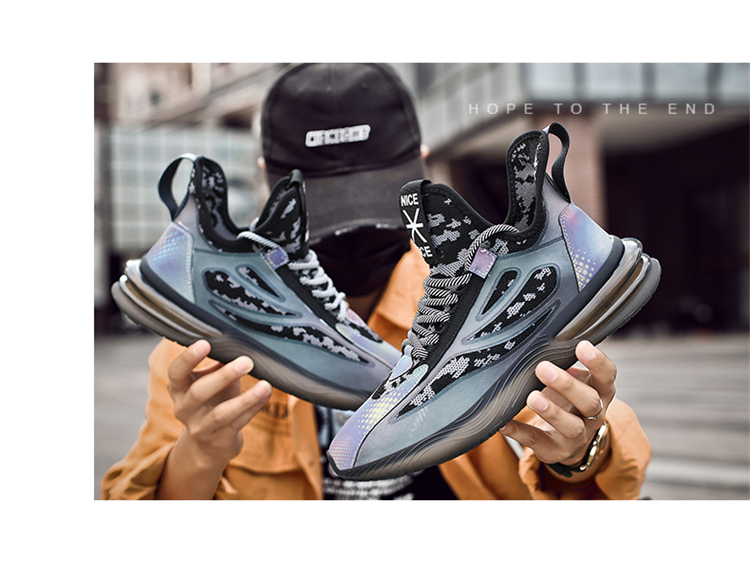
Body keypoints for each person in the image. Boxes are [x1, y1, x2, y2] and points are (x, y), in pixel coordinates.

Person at [101, 63, 651, 500]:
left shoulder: (503, 302)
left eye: (374, 203)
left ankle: (558, 246)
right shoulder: (204, 337)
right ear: (269, 181)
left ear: (423, 167)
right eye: (330, 209)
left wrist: (582, 448)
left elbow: (610, 482)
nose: (352, 234)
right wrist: (200, 448)